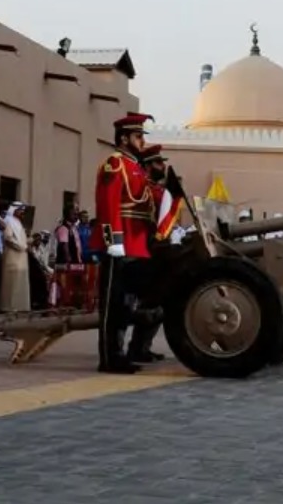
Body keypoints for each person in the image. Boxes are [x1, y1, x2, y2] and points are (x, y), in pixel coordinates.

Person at [91, 112, 158, 374]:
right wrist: (113, 241)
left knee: (126, 304)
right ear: (123, 138)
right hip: (120, 244)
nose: (142, 141)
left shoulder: (135, 167)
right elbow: (108, 205)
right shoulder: (114, 164)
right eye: (138, 136)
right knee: (112, 305)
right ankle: (109, 357)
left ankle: (120, 353)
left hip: (136, 244)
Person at [127, 143, 182, 364]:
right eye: (159, 162)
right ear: (148, 166)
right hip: (147, 251)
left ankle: (143, 347)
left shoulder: (157, 190)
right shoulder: (147, 191)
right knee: (149, 301)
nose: (163, 166)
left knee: (157, 301)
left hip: (157, 250)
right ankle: (136, 348)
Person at [0, 203, 31, 312]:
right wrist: (21, 246)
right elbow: (8, 239)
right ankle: (9, 307)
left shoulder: (19, 223)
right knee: (12, 283)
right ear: (14, 210)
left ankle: (20, 307)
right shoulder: (9, 221)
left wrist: (28, 243)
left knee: (20, 282)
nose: (22, 212)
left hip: (22, 256)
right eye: (20, 210)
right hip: (12, 256)